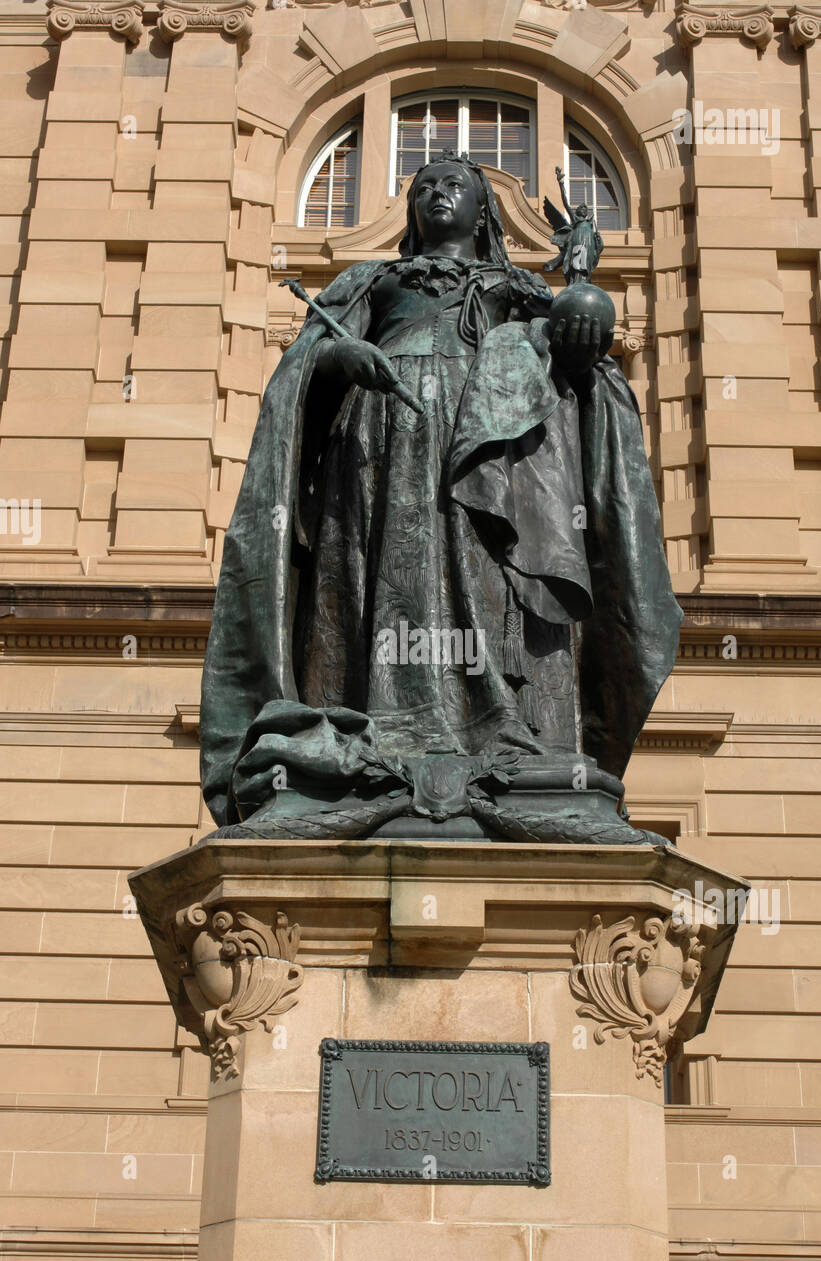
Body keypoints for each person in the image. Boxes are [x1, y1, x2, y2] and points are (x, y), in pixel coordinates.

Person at [200, 152, 682, 842]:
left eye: (452, 184)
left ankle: (507, 734)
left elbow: (579, 360)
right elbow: (299, 371)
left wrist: (580, 293)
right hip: (376, 447)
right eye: (422, 186)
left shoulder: (515, 288)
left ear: (483, 207)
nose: (435, 194)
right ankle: (368, 731)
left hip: (498, 456)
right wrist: (340, 358)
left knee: (487, 581)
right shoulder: (372, 281)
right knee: (381, 579)